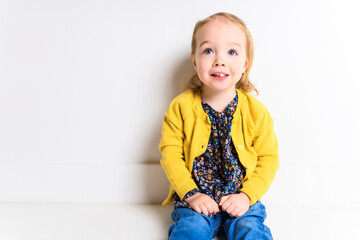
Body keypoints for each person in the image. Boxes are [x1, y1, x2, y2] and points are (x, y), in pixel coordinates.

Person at [159, 12, 279, 240]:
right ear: (195, 60)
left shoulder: (256, 112)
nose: (219, 60)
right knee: (191, 230)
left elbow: (268, 159)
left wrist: (246, 196)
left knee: (250, 230)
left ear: (245, 63)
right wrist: (191, 195)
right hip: (197, 200)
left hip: (241, 200)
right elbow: (171, 155)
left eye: (231, 52)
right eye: (208, 51)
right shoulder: (180, 107)